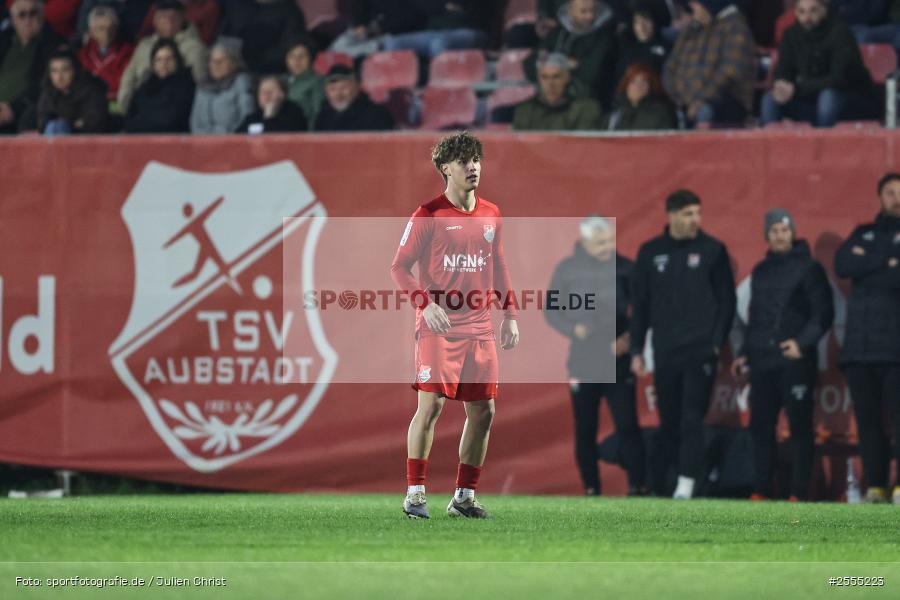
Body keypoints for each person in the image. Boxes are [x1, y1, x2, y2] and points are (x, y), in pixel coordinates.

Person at [390, 131, 520, 519]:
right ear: (445, 168)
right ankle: (415, 494)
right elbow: (398, 267)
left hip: (479, 327)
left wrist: (510, 314)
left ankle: (463, 497)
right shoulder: (428, 214)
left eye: (476, 159)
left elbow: (498, 265)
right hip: (440, 326)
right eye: (464, 161)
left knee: (484, 412)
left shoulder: (492, 214)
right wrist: (423, 305)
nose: (473, 166)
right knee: (430, 407)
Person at [630, 190, 736, 499]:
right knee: (668, 419)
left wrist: (716, 343)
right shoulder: (650, 252)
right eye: (688, 214)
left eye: (698, 214)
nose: (695, 221)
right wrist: (637, 349)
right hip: (665, 350)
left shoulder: (713, 250)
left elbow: (726, 302)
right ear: (672, 215)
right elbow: (641, 305)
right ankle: (662, 483)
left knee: (692, 417)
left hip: (700, 350)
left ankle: (688, 483)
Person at [731, 209, 834, 502]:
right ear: (767, 235)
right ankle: (761, 490)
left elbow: (823, 313)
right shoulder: (761, 270)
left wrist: (801, 344)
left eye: (785, 230)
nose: (779, 235)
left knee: (800, 427)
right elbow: (756, 316)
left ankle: (798, 493)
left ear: (793, 233)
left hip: (795, 361)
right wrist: (744, 354)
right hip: (763, 361)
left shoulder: (809, 268)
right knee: (760, 426)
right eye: (774, 230)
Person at [546, 216, 647, 496]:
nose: (607, 246)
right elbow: (551, 309)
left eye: (610, 240)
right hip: (584, 358)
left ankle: (637, 487)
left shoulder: (627, 269)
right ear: (586, 241)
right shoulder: (567, 270)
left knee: (628, 424)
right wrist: (573, 328)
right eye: (600, 242)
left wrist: (630, 341)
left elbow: (643, 311)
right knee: (585, 427)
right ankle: (592, 488)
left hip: (618, 359)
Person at [834, 173, 900, 504]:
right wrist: (886, 263)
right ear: (879, 196)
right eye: (890, 192)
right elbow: (843, 263)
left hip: (896, 349)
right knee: (868, 422)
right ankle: (875, 485)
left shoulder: (866, 242)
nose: (896, 198)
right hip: (859, 349)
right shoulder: (863, 232)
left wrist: (869, 266)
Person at [760, 0, 877, 129]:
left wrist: (797, 89)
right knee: (770, 100)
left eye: (813, 11)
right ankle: (769, 145)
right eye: (801, 12)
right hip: (808, 102)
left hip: (848, 101)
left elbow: (838, 80)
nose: (807, 18)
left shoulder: (841, 33)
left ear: (824, 11)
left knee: (828, 97)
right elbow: (783, 69)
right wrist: (782, 85)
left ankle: (824, 146)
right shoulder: (791, 34)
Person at [663, 0, 755, 127]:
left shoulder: (735, 27)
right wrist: (676, 96)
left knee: (704, 111)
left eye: (697, 4)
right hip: (684, 101)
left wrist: (701, 99)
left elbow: (730, 72)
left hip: (725, 102)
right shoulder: (692, 28)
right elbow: (671, 65)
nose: (692, 6)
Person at [524, 0, 618, 108]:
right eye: (583, 11)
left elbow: (594, 75)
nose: (589, 16)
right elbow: (528, 65)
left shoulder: (604, 38)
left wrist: (574, 65)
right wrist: (540, 61)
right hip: (549, 101)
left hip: (583, 102)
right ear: (570, 11)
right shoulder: (557, 33)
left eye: (593, 11)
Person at [117, 0, 206, 114]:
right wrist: (125, 104)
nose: (168, 22)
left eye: (174, 17)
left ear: (183, 18)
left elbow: (198, 83)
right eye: (163, 17)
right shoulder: (144, 45)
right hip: (140, 108)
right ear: (154, 21)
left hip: (175, 112)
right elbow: (129, 75)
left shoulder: (194, 47)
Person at [0, 0, 65, 133]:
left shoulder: (54, 44)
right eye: (22, 15)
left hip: (24, 111)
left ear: (42, 15)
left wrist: (13, 108)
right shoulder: (4, 41)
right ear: (13, 19)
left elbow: (46, 83)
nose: (28, 19)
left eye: (33, 13)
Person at [512, 52, 603, 131]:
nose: (550, 84)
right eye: (545, 77)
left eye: (556, 77)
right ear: (539, 79)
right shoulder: (525, 111)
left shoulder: (586, 109)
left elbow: (584, 145)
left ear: (567, 78)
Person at [124, 38, 195, 133]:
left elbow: (171, 121)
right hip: (141, 143)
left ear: (177, 60)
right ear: (153, 63)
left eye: (169, 59)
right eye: (158, 59)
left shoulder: (187, 87)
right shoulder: (144, 87)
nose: (163, 64)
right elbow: (130, 120)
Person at [220, 0, 306, 75]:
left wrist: (254, 60)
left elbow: (292, 46)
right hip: (238, 70)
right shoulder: (238, 5)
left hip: (275, 73)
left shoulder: (289, 10)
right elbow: (226, 36)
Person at [382, 0, 491, 60]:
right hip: (434, 32)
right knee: (393, 42)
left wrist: (444, 8)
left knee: (439, 42)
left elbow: (466, 12)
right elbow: (426, 9)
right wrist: (444, 7)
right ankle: (399, 97)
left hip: (469, 30)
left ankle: (442, 91)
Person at [37, 45, 109, 134]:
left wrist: (69, 125)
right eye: (54, 71)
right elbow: (42, 122)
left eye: (65, 70)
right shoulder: (48, 91)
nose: (59, 77)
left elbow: (94, 122)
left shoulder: (91, 90)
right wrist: (73, 123)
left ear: (75, 70)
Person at [190, 38, 254, 135]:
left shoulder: (241, 82)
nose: (216, 65)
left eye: (221, 61)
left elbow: (246, 117)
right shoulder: (203, 85)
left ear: (234, 63)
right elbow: (195, 122)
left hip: (231, 143)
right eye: (212, 61)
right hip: (202, 144)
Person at [330, 0, 426, 58]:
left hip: (392, 34)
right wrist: (359, 26)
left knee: (390, 44)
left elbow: (411, 18)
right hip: (368, 31)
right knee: (338, 46)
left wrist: (380, 27)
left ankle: (373, 49)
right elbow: (358, 11)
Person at [78, 4, 134, 102]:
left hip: (116, 103)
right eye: (101, 28)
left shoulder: (128, 52)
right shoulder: (83, 54)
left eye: (111, 28)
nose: (106, 33)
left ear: (116, 29)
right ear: (91, 31)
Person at [314, 64, 394, 132]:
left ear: (356, 88)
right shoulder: (322, 117)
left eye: (344, 88)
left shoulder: (377, 115)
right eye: (332, 90)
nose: (338, 95)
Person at [604, 62, 678, 130]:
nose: (639, 86)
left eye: (644, 81)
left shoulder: (661, 113)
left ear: (650, 86)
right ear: (626, 86)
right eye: (633, 81)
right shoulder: (615, 114)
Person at [615, 5, 671, 81]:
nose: (642, 26)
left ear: (654, 22)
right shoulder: (627, 51)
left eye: (646, 20)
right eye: (637, 22)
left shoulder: (666, 48)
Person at [238, 75, 307, 134]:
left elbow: (282, 139)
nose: (266, 95)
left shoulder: (294, 113)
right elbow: (236, 138)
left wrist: (269, 119)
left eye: (271, 91)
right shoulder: (254, 116)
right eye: (263, 91)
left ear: (282, 94)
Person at [284, 37, 324, 129]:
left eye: (302, 56)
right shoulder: (281, 81)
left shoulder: (317, 81)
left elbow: (317, 115)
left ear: (311, 59)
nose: (296, 61)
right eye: (292, 56)